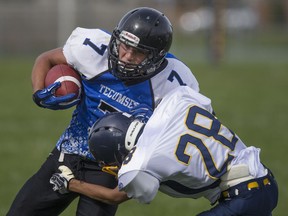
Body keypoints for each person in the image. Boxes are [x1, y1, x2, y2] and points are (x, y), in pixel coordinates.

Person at [7, 7, 200, 216]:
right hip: (68, 152)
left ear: (156, 57)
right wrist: (39, 93)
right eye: (125, 45)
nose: (126, 56)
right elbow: (46, 59)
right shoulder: (93, 49)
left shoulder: (174, 83)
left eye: (138, 52)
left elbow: (184, 132)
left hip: (112, 168)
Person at [50, 86, 278, 216]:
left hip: (242, 198)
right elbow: (207, 108)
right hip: (265, 180)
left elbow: (115, 196)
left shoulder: (138, 164)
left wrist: (70, 184)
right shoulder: (176, 100)